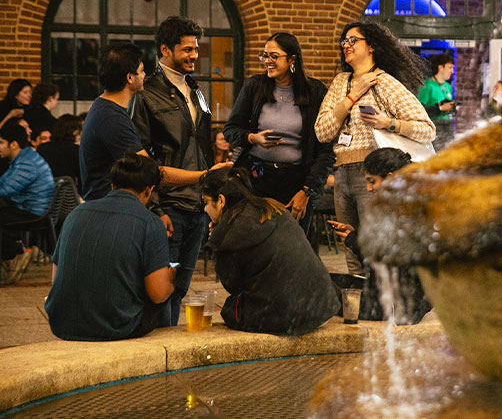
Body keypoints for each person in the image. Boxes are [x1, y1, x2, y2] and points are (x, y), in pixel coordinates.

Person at [315, 22, 434, 274]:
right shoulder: (340, 82)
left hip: (373, 176)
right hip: (341, 174)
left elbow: (427, 129)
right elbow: (322, 132)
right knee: (351, 251)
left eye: (353, 40)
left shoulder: (385, 82)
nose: (346, 46)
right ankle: (356, 298)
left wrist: (389, 123)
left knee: (374, 249)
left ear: (371, 46)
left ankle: (380, 297)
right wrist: (352, 96)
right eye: (344, 41)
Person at [129, 16, 214, 326]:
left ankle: (171, 345)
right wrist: (156, 208)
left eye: (196, 49)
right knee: (159, 291)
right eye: (187, 49)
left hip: (197, 207)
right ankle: (157, 345)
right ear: (165, 49)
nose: (194, 56)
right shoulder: (145, 93)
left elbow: (203, 149)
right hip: (168, 208)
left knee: (180, 289)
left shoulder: (196, 90)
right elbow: (140, 159)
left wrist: (209, 201)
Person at [45, 154, 175, 341]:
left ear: (112, 184)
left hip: (63, 323)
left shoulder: (77, 212)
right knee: (165, 294)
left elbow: (56, 277)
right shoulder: (150, 222)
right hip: (117, 326)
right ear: (149, 190)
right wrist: (171, 276)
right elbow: (158, 293)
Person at [201, 167, 340, 335]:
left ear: (221, 200)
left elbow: (234, 286)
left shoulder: (226, 236)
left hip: (291, 318)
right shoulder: (273, 207)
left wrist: (216, 237)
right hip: (323, 306)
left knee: (231, 308)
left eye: (206, 202)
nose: (205, 209)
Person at [81, 42, 227, 201]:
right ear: (130, 78)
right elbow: (151, 173)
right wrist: (205, 175)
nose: (145, 75)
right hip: (108, 207)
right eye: (142, 71)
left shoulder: (106, 108)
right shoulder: (111, 118)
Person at [224, 32, 334, 239]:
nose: (268, 61)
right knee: (254, 243)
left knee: (292, 244)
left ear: (292, 59)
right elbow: (230, 131)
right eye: (265, 56)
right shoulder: (254, 86)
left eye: (274, 56)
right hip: (256, 177)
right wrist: (253, 138)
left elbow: (326, 149)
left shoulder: (315, 91)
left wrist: (307, 191)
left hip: (296, 182)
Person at [328, 148, 430, 324]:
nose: (369, 189)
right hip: (397, 295)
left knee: (322, 293)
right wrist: (354, 236)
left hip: (399, 305)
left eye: (372, 181)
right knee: (326, 280)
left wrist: (353, 240)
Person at [0, 123, 54, 284]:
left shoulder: (26, 163)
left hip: (33, 212)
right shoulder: (22, 159)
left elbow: (5, 189)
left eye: (1, 142)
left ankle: (16, 253)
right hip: (27, 207)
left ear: (14, 144)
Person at [417, 53, 456, 151]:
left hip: (448, 126)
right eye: (450, 68)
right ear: (440, 67)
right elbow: (419, 110)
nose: (452, 71)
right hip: (435, 127)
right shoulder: (427, 85)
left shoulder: (448, 86)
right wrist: (440, 108)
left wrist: (453, 107)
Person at [37, 114, 82, 186]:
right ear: (75, 131)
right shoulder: (76, 150)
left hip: (44, 189)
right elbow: (83, 176)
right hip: (68, 191)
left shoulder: (42, 148)